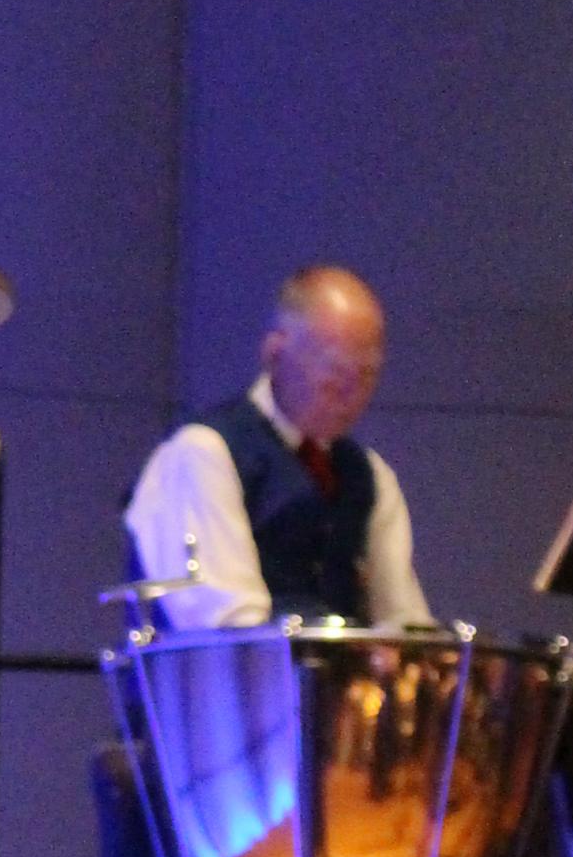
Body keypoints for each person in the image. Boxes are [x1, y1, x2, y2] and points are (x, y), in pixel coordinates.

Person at [123, 264, 434, 631]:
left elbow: (404, 621)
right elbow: (227, 625)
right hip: (241, 670)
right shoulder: (202, 454)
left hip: (338, 670)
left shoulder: (370, 474)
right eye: (336, 375)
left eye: (367, 375)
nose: (352, 396)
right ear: (275, 354)